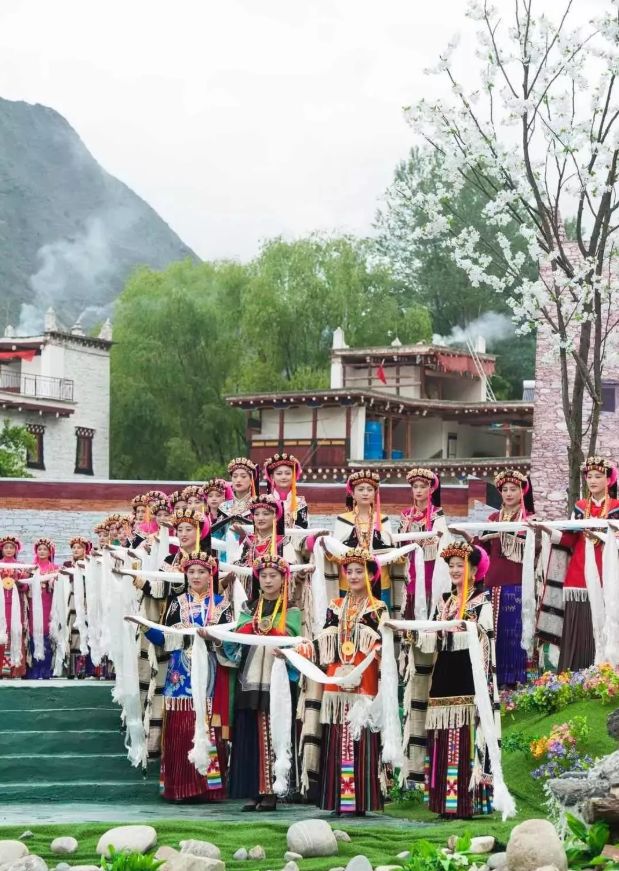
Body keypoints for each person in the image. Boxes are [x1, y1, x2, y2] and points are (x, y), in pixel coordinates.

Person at [402, 541, 497, 819]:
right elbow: (433, 636)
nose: (455, 570)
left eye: (461, 565)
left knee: (464, 736)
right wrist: (415, 635)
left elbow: (486, 638)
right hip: (443, 674)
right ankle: (444, 802)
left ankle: (467, 803)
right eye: (452, 566)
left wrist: (460, 632)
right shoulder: (444, 602)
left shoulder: (483, 602)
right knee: (442, 737)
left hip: (468, 675)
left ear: (473, 569)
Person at [136, 552, 234, 801]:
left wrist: (214, 639)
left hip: (211, 672)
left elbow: (232, 644)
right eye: (191, 572)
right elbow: (167, 640)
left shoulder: (222, 604)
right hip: (180, 674)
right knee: (180, 730)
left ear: (210, 574)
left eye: (201, 571)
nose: (196, 576)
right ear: (185, 575)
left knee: (209, 726)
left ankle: (209, 789)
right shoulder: (177, 603)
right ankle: (180, 788)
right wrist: (145, 626)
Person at [298, 547, 386, 815]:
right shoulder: (335, 606)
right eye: (350, 572)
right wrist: (300, 650)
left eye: (360, 571)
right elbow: (323, 640)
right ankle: (339, 801)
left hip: (364, 683)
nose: (354, 576)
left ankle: (360, 802)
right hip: (337, 682)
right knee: (338, 738)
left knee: (361, 738)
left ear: (372, 575)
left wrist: (379, 648)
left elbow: (384, 646)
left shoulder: (378, 608)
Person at [220, 554, 301, 812]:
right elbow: (237, 637)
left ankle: (273, 791)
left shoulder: (291, 609)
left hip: (276, 679)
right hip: (250, 677)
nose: (267, 580)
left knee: (273, 731)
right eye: (263, 576)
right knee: (249, 733)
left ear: (283, 579)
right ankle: (252, 790)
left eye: (273, 576)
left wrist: (280, 643)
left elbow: (294, 639)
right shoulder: (249, 608)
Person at [540, 456, 619, 672]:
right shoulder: (580, 507)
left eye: (598, 476)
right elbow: (568, 540)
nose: (592, 480)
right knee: (578, 623)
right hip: (579, 573)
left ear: (609, 480)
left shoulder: (617, 507)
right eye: (589, 476)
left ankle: (606, 672)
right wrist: (547, 530)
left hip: (608, 573)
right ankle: (574, 673)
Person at [478, 470, 535, 688]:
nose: (509, 494)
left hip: (518, 583)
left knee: (515, 632)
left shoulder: (530, 520)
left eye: (514, 489)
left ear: (523, 492)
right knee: (494, 633)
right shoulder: (492, 519)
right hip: (492, 582)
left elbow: (537, 549)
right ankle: (494, 680)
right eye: (505, 490)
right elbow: (480, 547)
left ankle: (515, 680)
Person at [324, 471, 395, 608]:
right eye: (360, 489)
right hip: (350, 578)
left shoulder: (383, 519)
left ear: (375, 493)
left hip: (379, 578)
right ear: (352, 493)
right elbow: (335, 552)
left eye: (369, 489)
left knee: (379, 619)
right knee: (348, 617)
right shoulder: (343, 519)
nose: (365, 493)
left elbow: (390, 550)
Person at [398, 468, 446, 619]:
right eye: (415, 487)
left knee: (430, 595)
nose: (418, 490)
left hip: (432, 566)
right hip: (411, 566)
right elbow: (400, 543)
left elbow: (444, 543)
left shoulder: (438, 514)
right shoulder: (405, 515)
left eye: (423, 486)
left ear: (431, 489)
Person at [26, 538, 59, 679]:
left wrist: (53, 581)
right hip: (33, 605)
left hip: (49, 604)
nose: (42, 551)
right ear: (36, 551)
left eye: (45, 549)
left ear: (50, 551)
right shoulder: (30, 568)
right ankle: (34, 668)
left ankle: (47, 668)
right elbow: (24, 585)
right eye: (39, 549)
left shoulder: (55, 568)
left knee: (47, 634)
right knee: (34, 633)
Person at [0, 535, 28, 678]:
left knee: (15, 632)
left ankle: (15, 669)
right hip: (1, 605)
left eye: (12, 547)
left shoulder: (20, 566)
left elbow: (26, 585)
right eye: (6, 547)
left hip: (16, 606)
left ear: (16, 549)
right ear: (2, 549)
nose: (9, 550)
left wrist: (19, 584)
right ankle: (1, 669)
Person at [263, 453, 308, 528]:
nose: (283, 477)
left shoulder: (300, 503)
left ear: (293, 476)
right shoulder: (264, 502)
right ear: (272, 477)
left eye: (287, 473)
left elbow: (303, 532)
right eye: (279, 473)